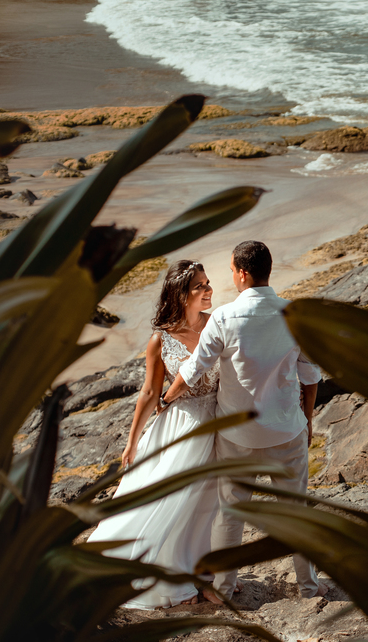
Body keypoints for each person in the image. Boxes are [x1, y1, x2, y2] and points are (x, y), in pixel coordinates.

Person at [161, 240, 325, 602]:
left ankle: (223, 590)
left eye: (232, 270)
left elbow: (195, 368)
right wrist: (307, 420)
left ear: (242, 273)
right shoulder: (293, 314)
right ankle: (309, 589)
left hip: (238, 436)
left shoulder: (223, 317)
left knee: (230, 513)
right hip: (286, 430)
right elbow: (311, 377)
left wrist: (166, 398)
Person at [88, 260, 222, 609]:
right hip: (181, 425)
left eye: (208, 284)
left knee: (207, 501)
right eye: (200, 286)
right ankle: (159, 573)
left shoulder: (218, 324)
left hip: (219, 420)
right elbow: (149, 394)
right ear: (181, 293)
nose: (209, 290)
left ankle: (200, 573)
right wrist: (132, 441)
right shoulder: (160, 340)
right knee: (171, 498)